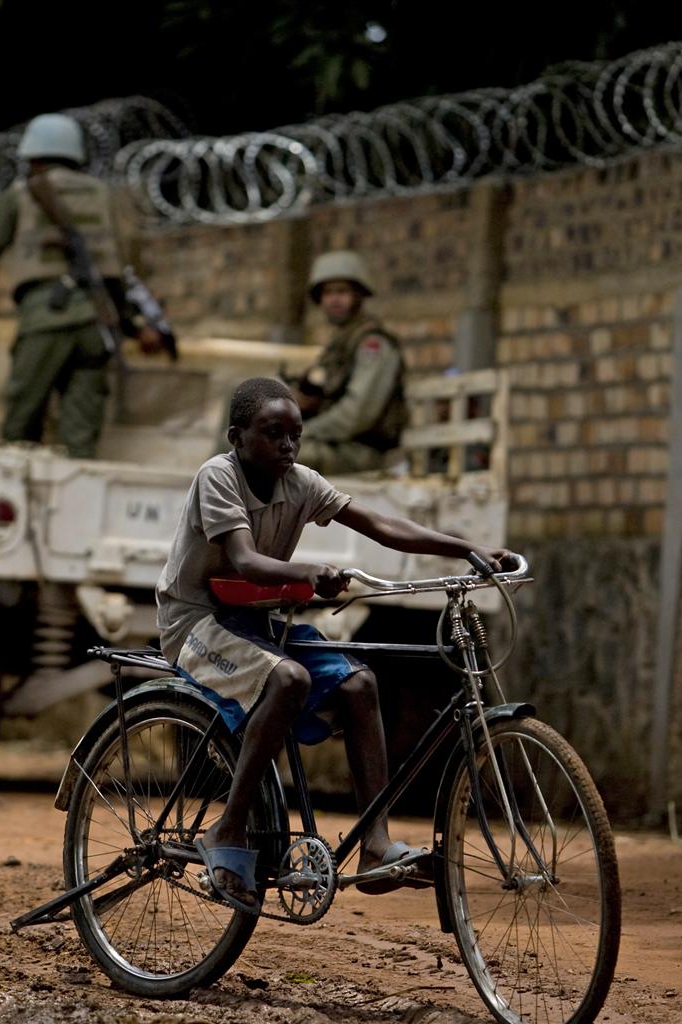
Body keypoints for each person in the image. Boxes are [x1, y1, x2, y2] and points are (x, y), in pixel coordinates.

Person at [155, 376, 511, 913]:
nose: (287, 446)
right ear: (237, 436)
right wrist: (308, 571)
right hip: (197, 621)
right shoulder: (218, 477)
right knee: (289, 678)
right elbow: (247, 561)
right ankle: (226, 830)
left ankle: (373, 846)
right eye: (273, 434)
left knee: (360, 682)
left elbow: (380, 524)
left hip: (259, 622)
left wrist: (467, 549)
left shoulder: (300, 481)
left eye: (294, 435)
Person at [0, 112, 162, 459]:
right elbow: (121, 272)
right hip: (96, 325)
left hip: (46, 319)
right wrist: (138, 327)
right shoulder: (103, 195)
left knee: (20, 429)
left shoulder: (23, 195)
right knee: (81, 439)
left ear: (35, 158)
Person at [291, 250, 407, 475]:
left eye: (342, 292)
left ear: (359, 295)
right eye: (327, 293)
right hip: (335, 445)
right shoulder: (339, 344)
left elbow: (356, 416)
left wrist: (302, 431)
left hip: (361, 452)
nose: (334, 300)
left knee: (259, 451)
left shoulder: (373, 344)